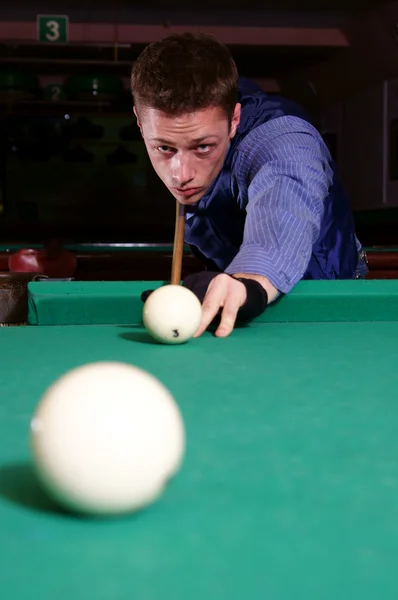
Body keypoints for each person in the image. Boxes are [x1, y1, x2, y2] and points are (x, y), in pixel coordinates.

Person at [131, 32, 367, 338]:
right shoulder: (189, 141)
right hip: (242, 297)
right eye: (164, 148)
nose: (181, 174)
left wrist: (249, 280)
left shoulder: (282, 142)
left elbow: (284, 201)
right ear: (139, 121)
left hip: (326, 295)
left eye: (202, 147)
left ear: (234, 120)